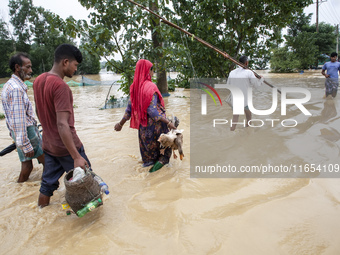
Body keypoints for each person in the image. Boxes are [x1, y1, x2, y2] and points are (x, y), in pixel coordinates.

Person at [33, 44, 90, 207]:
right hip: (67, 148)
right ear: (65, 62)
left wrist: (49, 132)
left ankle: (42, 213)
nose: (75, 69)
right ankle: (92, 225)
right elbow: (62, 124)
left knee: (46, 187)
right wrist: (76, 157)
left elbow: (39, 111)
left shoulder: (38, 81)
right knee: (87, 185)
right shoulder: (61, 87)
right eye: (75, 65)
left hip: (49, 145)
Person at [114, 59, 176, 172]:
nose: (153, 73)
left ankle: (148, 182)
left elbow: (129, 111)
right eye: (152, 70)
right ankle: (154, 176)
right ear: (148, 71)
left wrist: (120, 124)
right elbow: (153, 112)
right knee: (164, 156)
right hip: (157, 129)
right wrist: (169, 123)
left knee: (148, 161)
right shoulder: (151, 87)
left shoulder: (135, 88)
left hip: (144, 132)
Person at [1, 53, 44, 182]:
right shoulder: (16, 89)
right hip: (27, 131)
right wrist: (25, 144)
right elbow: (19, 119)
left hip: (20, 133)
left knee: (27, 166)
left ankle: (21, 189)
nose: (30, 70)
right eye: (28, 67)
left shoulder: (10, 85)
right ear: (17, 67)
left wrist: (16, 137)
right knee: (49, 163)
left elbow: (12, 118)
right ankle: (46, 192)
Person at [227, 55, 264, 131]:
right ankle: (248, 130)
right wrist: (261, 79)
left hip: (235, 99)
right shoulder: (249, 72)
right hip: (245, 100)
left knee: (235, 117)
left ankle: (232, 131)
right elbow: (256, 85)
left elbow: (228, 85)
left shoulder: (232, 72)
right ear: (246, 63)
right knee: (249, 115)